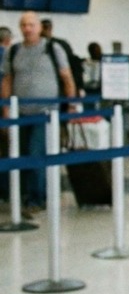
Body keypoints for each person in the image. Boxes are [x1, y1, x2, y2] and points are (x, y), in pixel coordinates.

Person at [1, 11, 78, 213]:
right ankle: (25, 194)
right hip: (20, 114)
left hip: (46, 113)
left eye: (31, 25)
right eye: (24, 25)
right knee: (21, 153)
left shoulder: (53, 49)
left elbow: (67, 77)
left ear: (40, 27)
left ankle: (37, 198)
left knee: (36, 153)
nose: (27, 29)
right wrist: (6, 108)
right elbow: (7, 80)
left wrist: (71, 106)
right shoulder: (14, 51)